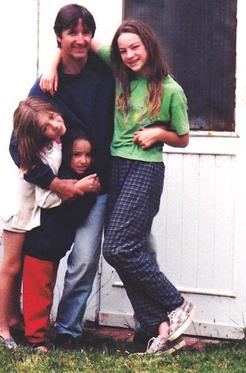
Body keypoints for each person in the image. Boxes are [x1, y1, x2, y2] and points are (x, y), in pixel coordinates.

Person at [41, 19, 195, 354]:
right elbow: (76, 44)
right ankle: (162, 328)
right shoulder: (119, 68)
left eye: (135, 48)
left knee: (121, 248)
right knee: (123, 250)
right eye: (123, 50)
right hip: (117, 167)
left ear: (149, 46)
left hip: (145, 168)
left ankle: (176, 303)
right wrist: (51, 64)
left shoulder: (170, 90)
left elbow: (183, 137)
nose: (128, 55)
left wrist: (158, 134)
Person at [9, 4, 115, 349]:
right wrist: (55, 184)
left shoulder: (104, 74)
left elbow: (126, 55)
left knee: (84, 259)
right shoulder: (46, 87)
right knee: (41, 257)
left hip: (94, 184)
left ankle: (68, 331)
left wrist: (55, 56)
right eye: (72, 33)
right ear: (59, 36)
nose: (81, 40)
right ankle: (35, 330)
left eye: (86, 32)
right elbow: (18, 146)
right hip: (56, 193)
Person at [0, 97, 67, 348]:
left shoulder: (51, 143)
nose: (54, 124)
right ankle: (3, 326)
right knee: (11, 267)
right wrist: (71, 190)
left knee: (19, 266)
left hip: (31, 212)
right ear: (36, 135)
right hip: (19, 212)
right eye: (46, 127)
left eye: (52, 116)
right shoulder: (41, 154)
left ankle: (16, 318)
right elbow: (46, 197)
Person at [23, 128, 97, 352]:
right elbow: (47, 202)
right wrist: (78, 189)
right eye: (76, 155)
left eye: (87, 155)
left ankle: (40, 334)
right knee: (39, 291)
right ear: (67, 155)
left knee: (45, 288)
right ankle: (36, 339)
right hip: (40, 243)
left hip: (54, 247)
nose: (83, 160)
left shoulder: (86, 181)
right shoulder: (59, 177)